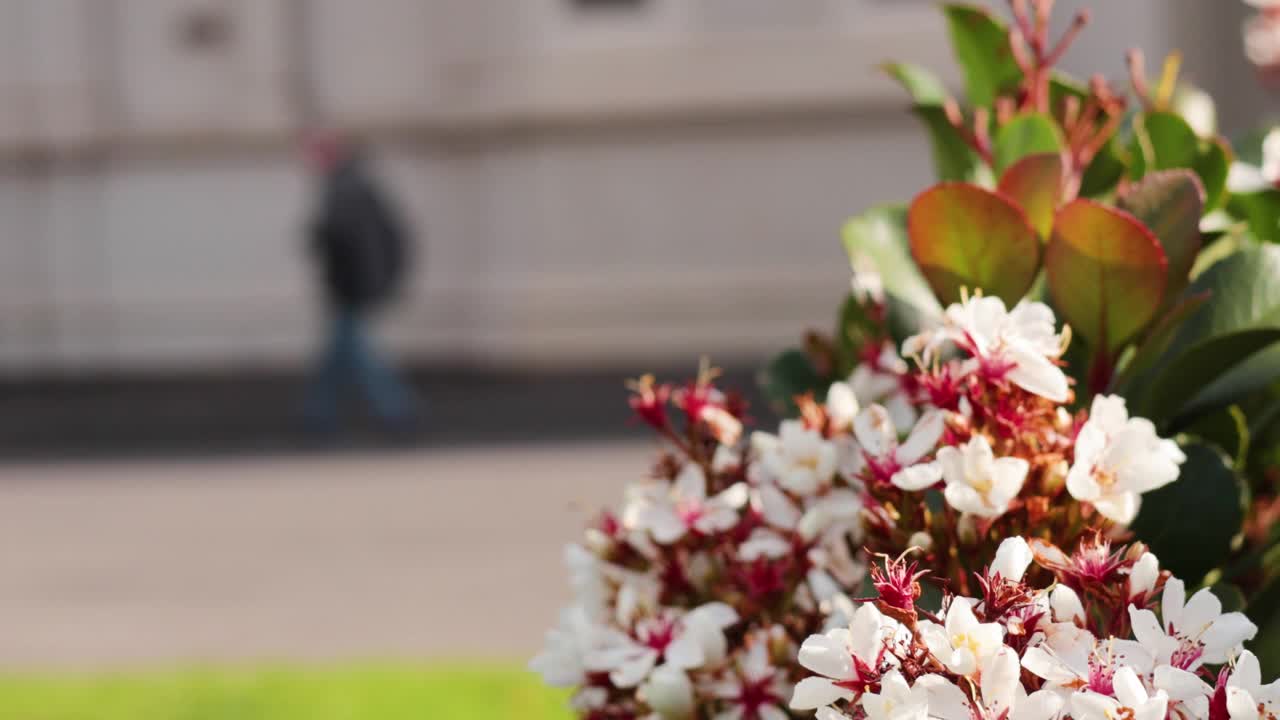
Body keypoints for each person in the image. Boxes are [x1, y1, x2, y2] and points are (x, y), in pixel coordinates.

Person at [301, 128, 418, 435]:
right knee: (338, 358)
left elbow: (348, 244)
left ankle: (397, 412)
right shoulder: (350, 188)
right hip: (352, 288)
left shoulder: (345, 191)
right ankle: (318, 415)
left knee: (361, 359)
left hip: (351, 289)